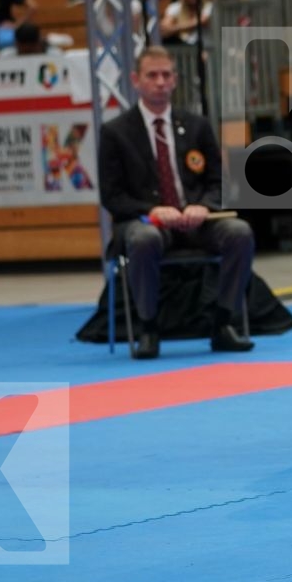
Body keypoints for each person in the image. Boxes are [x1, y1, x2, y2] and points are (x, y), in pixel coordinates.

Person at [99, 47, 256, 360]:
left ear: (175, 80)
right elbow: (112, 196)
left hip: (196, 221)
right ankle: (148, 328)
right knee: (143, 239)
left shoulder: (197, 125)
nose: (160, 82)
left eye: (166, 75)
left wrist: (205, 205)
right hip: (147, 221)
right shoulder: (115, 132)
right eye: (152, 75)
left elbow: (220, 182)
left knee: (239, 232)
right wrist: (151, 210)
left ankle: (223, 322)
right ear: (136, 80)